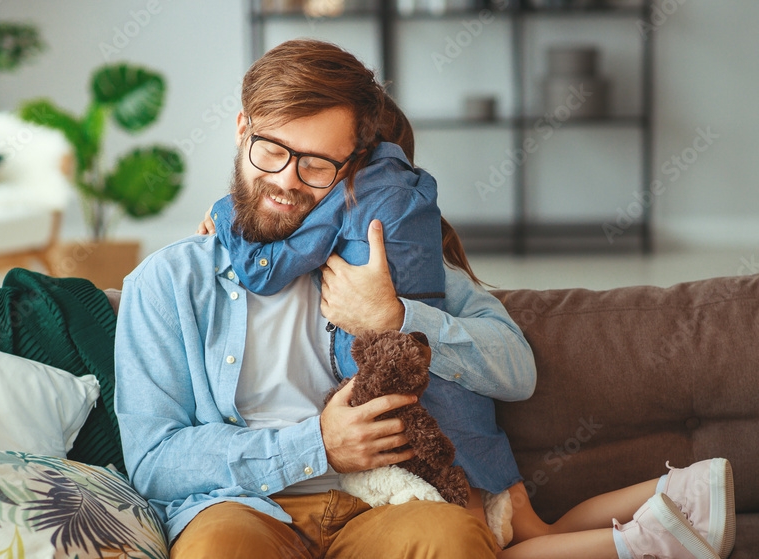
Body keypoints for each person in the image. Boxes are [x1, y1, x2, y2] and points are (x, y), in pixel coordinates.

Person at [115, 39, 729, 558]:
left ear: (355, 165)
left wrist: (397, 317)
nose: (285, 182)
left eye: (317, 167)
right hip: (242, 507)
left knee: (452, 539)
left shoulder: (384, 263)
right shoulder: (168, 283)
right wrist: (313, 446)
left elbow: (516, 369)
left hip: (387, 503)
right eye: (271, 151)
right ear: (243, 128)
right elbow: (153, 460)